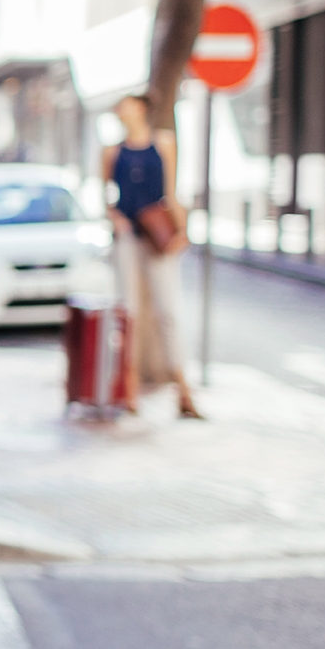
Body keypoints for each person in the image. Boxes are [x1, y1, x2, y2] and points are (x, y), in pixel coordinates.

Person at [103, 92, 202, 419]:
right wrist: (116, 219)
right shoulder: (112, 151)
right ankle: (127, 389)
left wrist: (182, 230)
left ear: (142, 109)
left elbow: (172, 192)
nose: (123, 112)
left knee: (168, 311)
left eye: (128, 106)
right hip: (128, 238)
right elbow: (106, 197)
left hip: (156, 236)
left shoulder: (163, 144)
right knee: (126, 311)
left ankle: (183, 391)